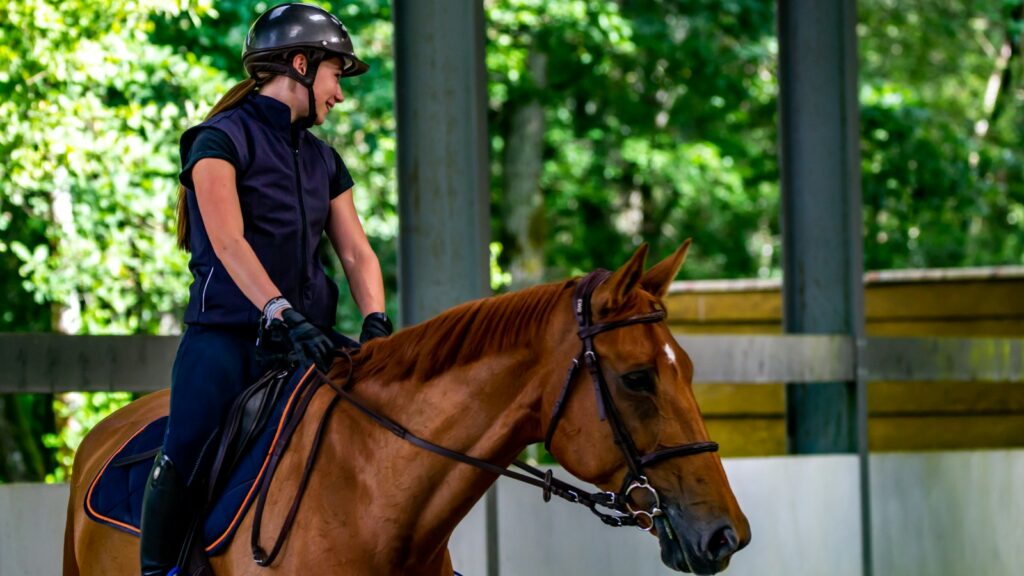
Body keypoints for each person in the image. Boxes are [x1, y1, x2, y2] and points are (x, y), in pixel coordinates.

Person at [139, 4, 392, 575]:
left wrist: (375, 319)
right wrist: (277, 310)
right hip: (227, 340)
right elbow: (229, 243)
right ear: (301, 65)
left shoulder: (326, 160)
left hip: (310, 343)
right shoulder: (217, 141)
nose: (340, 95)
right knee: (188, 444)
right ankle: (159, 571)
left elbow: (355, 251)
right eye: (335, 76)